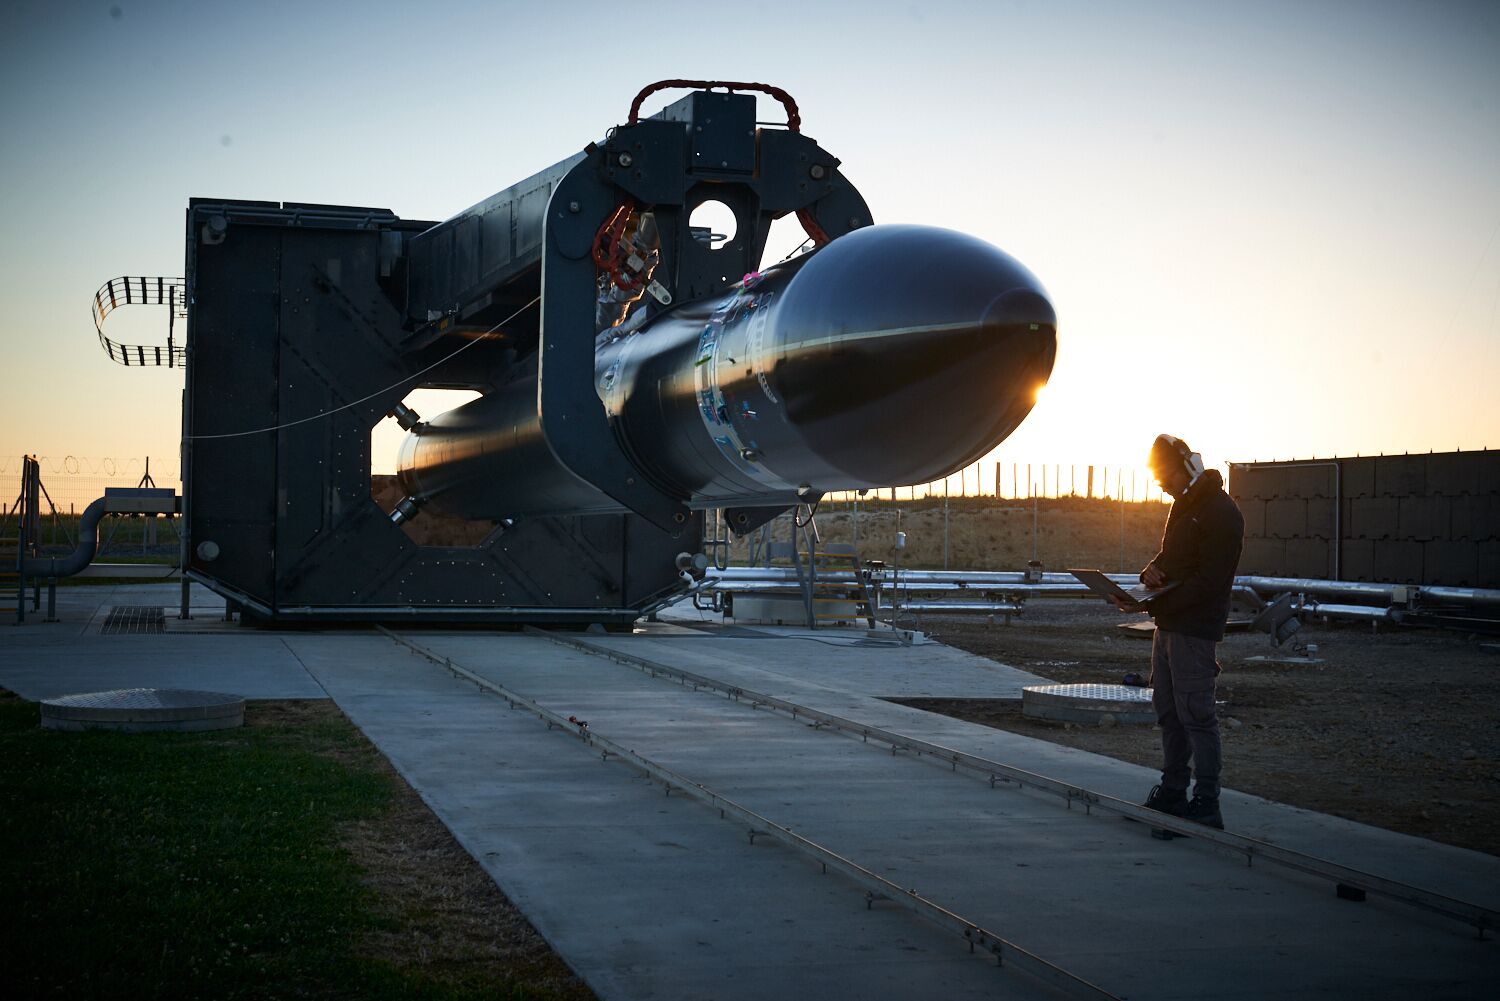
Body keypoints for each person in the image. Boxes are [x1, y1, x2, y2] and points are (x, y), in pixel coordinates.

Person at [1110, 434, 1244, 830]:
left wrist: (1155, 601)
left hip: (1194, 631)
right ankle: (1173, 792)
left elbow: (1211, 581)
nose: (1161, 485)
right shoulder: (1184, 507)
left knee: (1197, 716)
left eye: (1164, 476)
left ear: (1186, 466)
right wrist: (1147, 576)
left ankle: (1206, 801)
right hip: (1168, 626)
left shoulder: (1221, 512)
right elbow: (1169, 561)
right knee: (1169, 713)